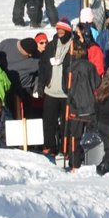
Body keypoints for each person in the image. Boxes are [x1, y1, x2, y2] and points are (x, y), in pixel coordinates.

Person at [37, 19, 74, 158]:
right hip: (51, 90)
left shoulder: (73, 47)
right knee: (48, 121)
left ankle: (66, 149)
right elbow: (42, 66)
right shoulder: (51, 46)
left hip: (66, 92)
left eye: (62, 31)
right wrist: (41, 84)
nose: (59, 33)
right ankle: (49, 146)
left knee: (67, 124)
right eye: (58, 31)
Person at [65, 38, 100, 170]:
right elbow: (97, 84)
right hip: (90, 106)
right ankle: (92, 160)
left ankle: (74, 163)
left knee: (75, 137)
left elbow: (65, 88)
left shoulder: (69, 69)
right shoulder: (91, 66)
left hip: (75, 107)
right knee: (93, 135)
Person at [0, 37, 42, 117]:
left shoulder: (36, 57)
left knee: (28, 114)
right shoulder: (7, 44)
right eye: (28, 53)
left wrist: (36, 88)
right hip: (6, 87)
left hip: (25, 89)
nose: (30, 55)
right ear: (21, 49)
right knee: (9, 114)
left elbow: (40, 73)